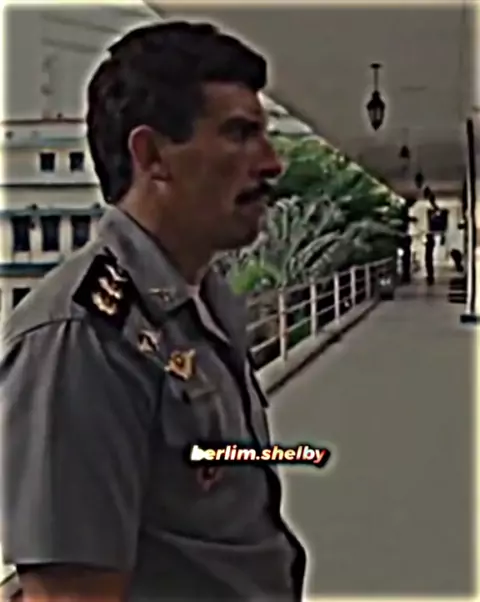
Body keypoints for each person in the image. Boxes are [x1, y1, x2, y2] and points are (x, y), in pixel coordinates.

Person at [0, 20, 307, 602]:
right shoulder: (83, 337)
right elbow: (70, 595)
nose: (271, 164)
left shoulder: (205, 301)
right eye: (240, 135)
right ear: (152, 155)